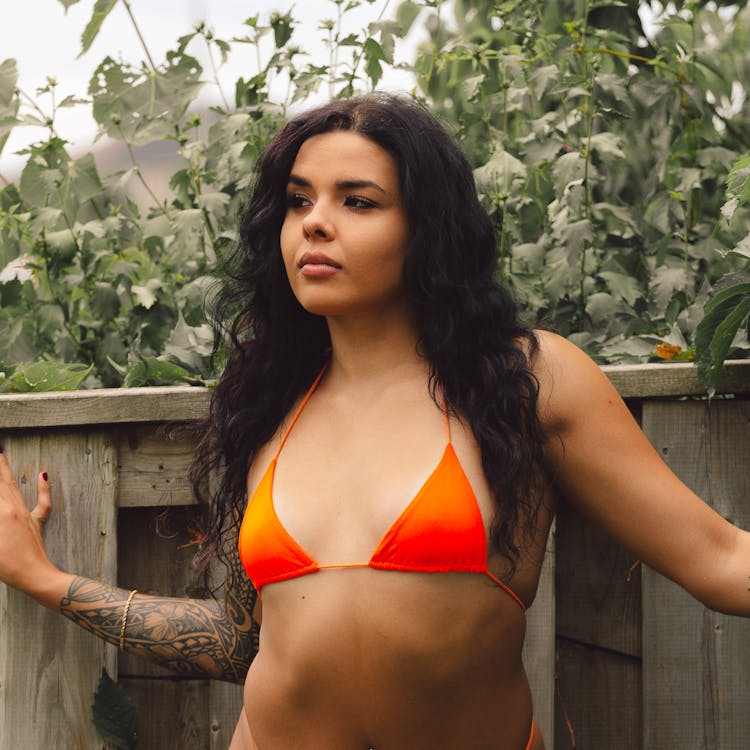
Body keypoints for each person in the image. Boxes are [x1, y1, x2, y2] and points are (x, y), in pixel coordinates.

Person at [0, 93, 748, 750]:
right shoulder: (265, 406)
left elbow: (720, 561)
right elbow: (242, 642)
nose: (315, 224)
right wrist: (44, 579)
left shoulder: (523, 380)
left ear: (427, 230)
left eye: (357, 201)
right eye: (299, 201)